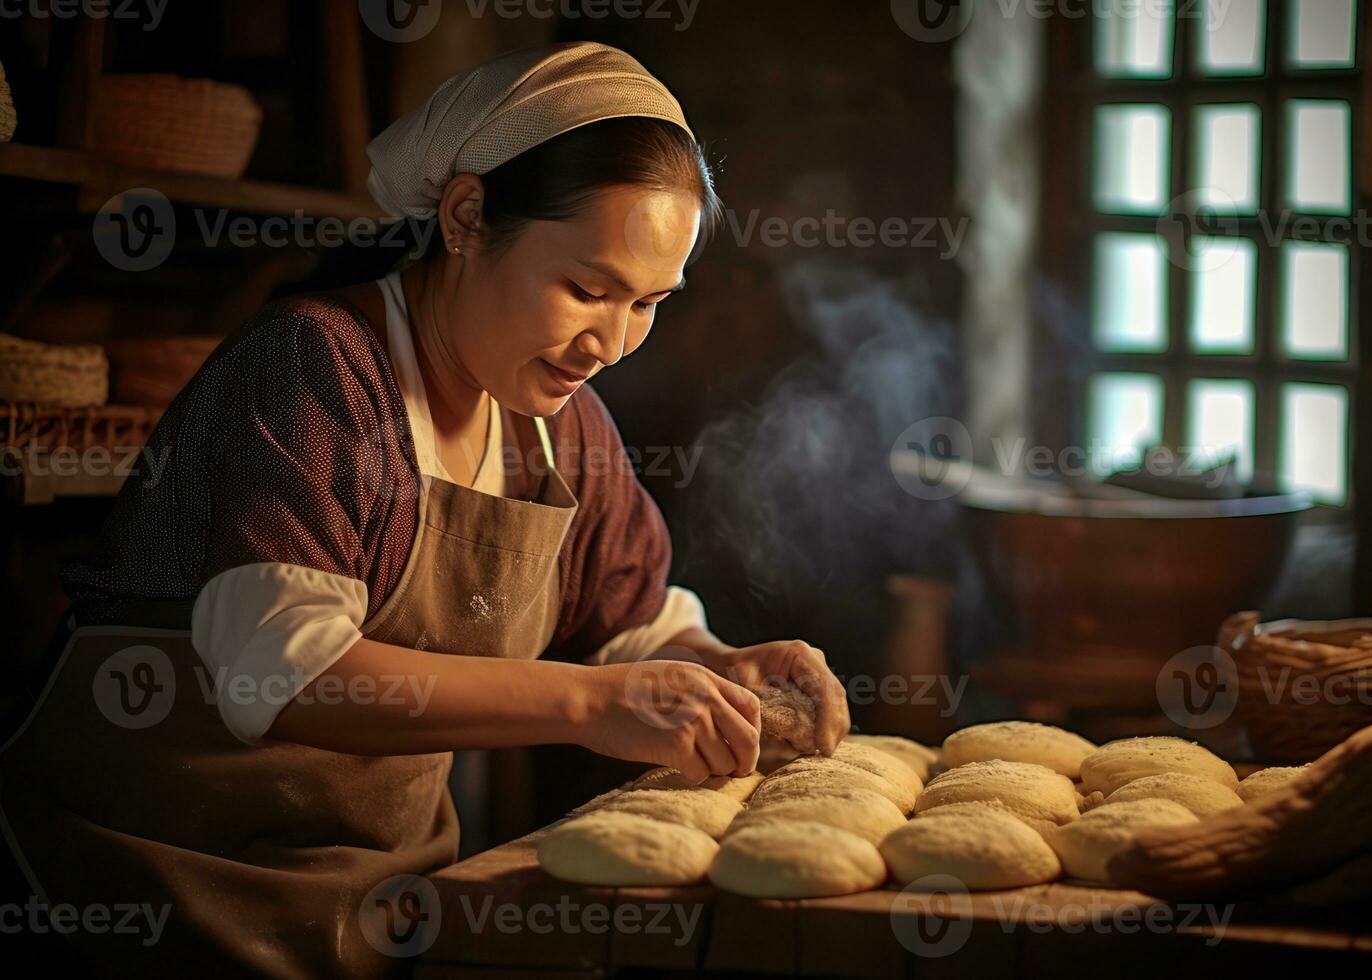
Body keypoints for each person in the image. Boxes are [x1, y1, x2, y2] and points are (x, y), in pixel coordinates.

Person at [0, 42, 848, 978]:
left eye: (649, 303)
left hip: (383, 906)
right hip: (142, 896)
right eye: (587, 288)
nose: (611, 342)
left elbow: (630, 627)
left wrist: (719, 669)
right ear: (467, 214)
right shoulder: (312, 369)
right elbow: (280, 675)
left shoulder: (562, 427)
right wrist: (589, 703)